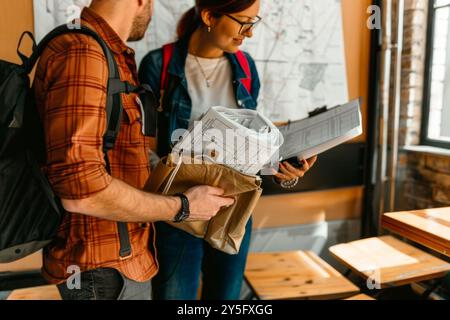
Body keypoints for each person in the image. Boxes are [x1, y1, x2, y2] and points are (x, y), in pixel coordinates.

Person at [34, 0, 234, 300]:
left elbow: (121, 158)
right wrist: (184, 207)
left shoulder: (108, 54)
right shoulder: (83, 51)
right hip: (102, 270)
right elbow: (81, 191)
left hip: (123, 264)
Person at [139, 0, 318, 300]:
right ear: (210, 16)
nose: (248, 33)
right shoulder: (159, 65)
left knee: (227, 300)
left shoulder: (246, 68)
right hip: (179, 212)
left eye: (253, 22)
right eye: (242, 22)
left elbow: (254, 146)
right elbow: (143, 148)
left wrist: (283, 170)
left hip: (234, 209)